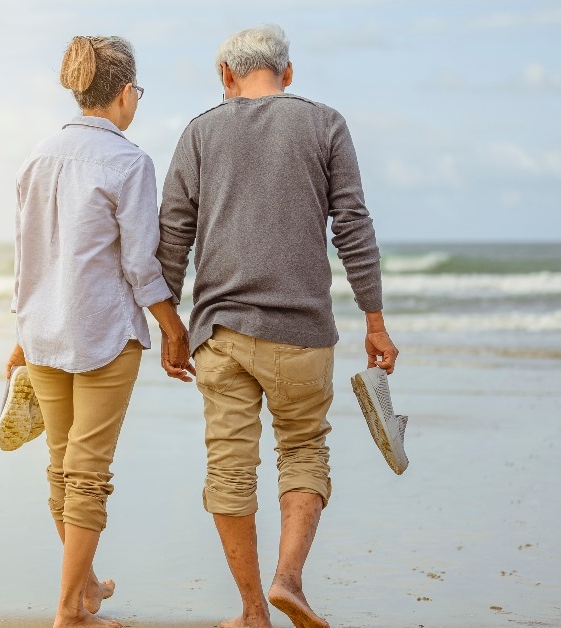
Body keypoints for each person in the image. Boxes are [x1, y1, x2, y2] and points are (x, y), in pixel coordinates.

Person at [156, 25, 399, 628]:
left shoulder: (200, 132)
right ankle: (288, 580)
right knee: (303, 451)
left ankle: (250, 613)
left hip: (222, 332)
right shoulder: (325, 124)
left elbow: (171, 238)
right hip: (303, 333)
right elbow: (353, 227)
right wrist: (374, 320)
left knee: (230, 467)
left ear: (226, 78)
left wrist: (169, 325)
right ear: (288, 74)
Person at [5, 35, 194, 628]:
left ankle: (84, 589)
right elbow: (141, 262)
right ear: (124, 93)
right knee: (87, 473)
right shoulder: (129, 161)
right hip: (104, 335)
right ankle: (69, 613)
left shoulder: (38, 155)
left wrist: (20, 330)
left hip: (43, 333)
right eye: (137, 91)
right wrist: (171, 327)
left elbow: (25, 257)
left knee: (62, 468)